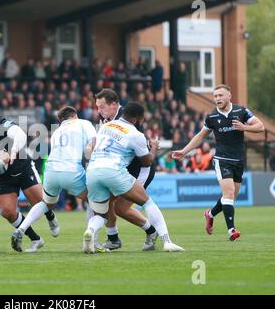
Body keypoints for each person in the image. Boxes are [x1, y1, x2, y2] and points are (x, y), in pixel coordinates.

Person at [83, 102, 184, 253]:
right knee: (147, 202)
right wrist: (154, 148)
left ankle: (90, 231)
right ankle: (167, 241)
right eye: (142, 120)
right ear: (136, 120)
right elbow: (147, 161)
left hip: (92, 171)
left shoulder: (105, 126)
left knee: (102, 212)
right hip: (113, 170)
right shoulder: (136, 134)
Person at [172, 84, 265, 241]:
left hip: (239, 160)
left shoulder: (241, 111)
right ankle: (231, 230)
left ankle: (210, 214)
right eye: (215, 96)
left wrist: (244, 127)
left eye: (221, 95)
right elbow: (200, 136)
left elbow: (261, 127)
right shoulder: (212, 117)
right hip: (222, 159)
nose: (217, 99)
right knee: (228, 194)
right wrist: (184, 151)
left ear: (229, 96)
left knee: (230, 198)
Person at [11, 106, 101, 252]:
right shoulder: (84, 123)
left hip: (51, 171)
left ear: (61, 120)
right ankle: (93, 239)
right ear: (75, 115)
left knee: (46, 203)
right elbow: (93, 145)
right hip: (71, 169)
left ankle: (21, 229)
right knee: (94, 199)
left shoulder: (57, 131)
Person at [0, 113, 59, 252]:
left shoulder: (2, 125)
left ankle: (50, 217)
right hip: (3, 177)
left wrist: (14, 150)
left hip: (23, 168)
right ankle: (36, 239)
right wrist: (2, 162)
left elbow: (20, 134)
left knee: (42, 203)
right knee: (7, 212)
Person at [94, 88, 159, 251]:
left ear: (114, 105)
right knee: (104, 199)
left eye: (102, 107)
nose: (99, 110)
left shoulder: (128, 117)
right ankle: (113, 238)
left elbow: (142, 150)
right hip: (120, 170)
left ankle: (153, 232)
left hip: (140, 169)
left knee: (120, 208)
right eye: (97, 107)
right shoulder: (107, 121)